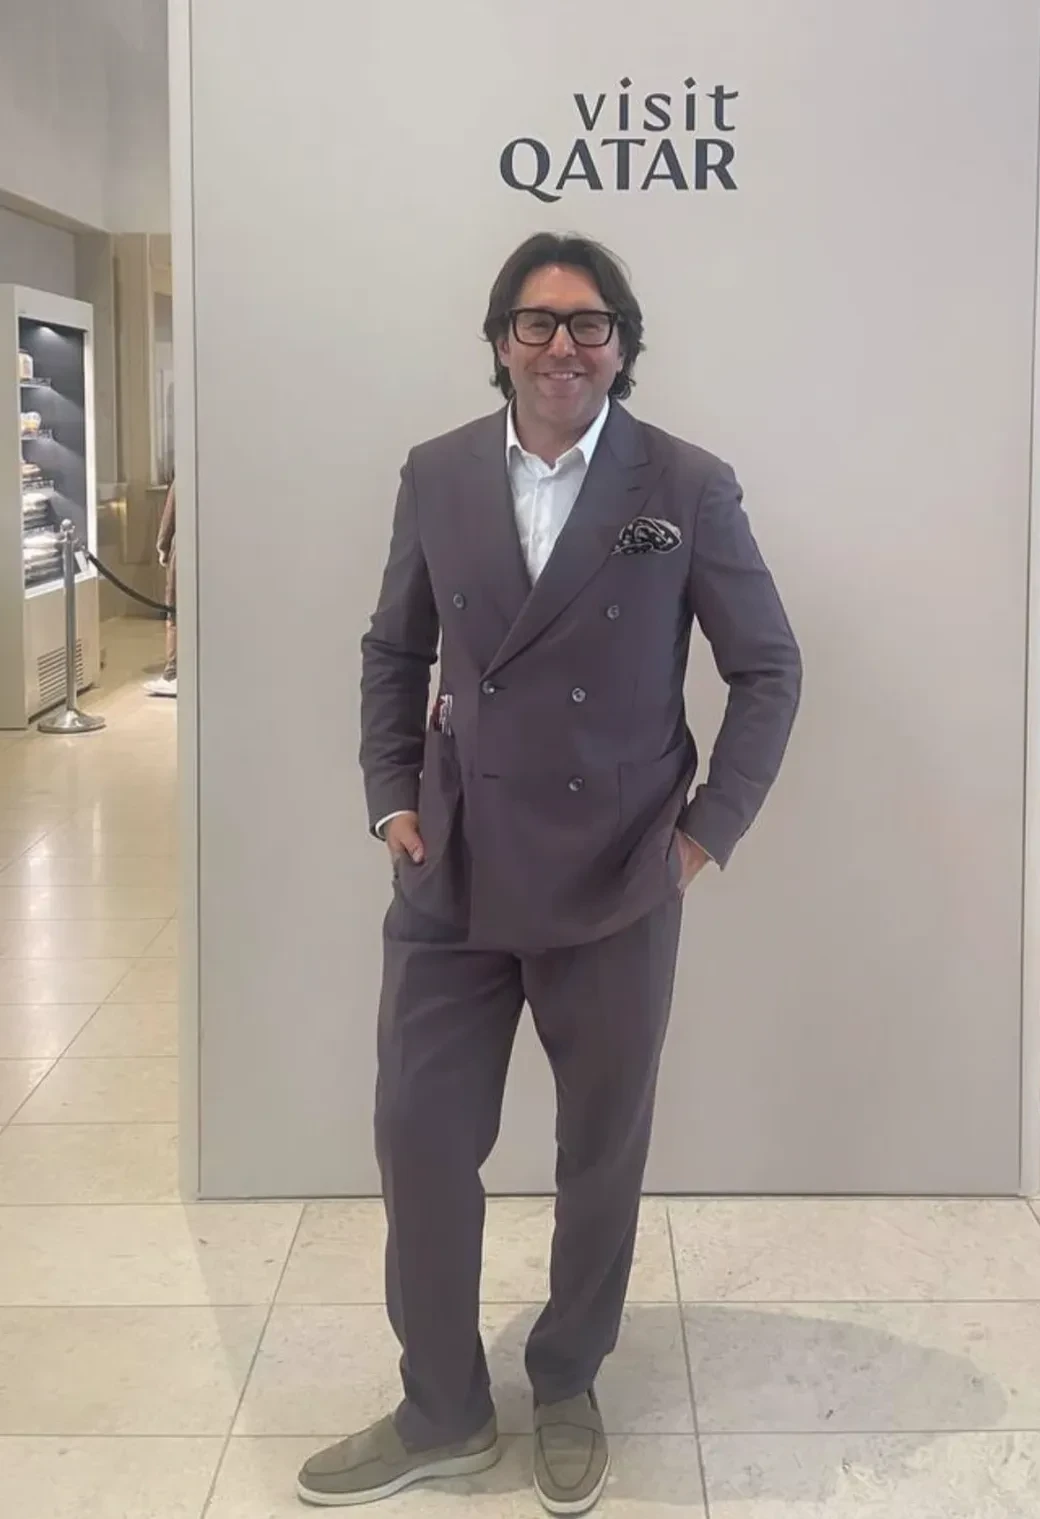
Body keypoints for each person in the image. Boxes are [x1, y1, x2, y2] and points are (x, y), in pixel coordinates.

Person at [298, 233, 802, 1514]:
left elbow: (766, 667)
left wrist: (703, 832)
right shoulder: (436, 472)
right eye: (536, 322)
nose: (561, 346)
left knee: (599, 1151)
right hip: (453, 866)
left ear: (621, 347)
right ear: (498, 341)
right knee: (418, 1136)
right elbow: (391, 649)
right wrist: (390, 797)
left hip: (617, 874)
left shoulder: (683, 483)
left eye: (588, 325)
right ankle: (441, 1408)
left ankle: (567, 1380)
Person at [144, 480, 177, 697]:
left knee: (175, 615)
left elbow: (169, 518)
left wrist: (162, 547)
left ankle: (173, 674)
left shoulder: (184, 479)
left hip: (183, 553)